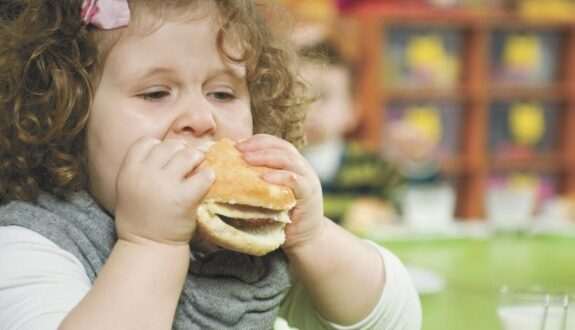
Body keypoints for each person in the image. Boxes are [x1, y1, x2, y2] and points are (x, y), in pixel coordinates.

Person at [0, 1, 421, 329]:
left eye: (222, 94)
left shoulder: (243, 238)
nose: (202, 119)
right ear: (68, 115)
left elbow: (393, 321)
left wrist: (312, 237)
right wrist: (152, 244)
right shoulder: (31, 245)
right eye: (156, 93)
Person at [299, 40, 405, 225]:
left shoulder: (374, 165)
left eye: (323, 96)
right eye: (297, 96)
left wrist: (419, 161)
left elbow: (405, 207)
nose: (310, 109)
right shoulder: (276, 162)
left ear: (353, 111)